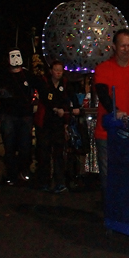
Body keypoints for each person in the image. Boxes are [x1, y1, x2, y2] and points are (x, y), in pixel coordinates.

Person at [93, 29, 129, 197]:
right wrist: (115, 111)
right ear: (114, 47)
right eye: (123, 46)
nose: (127, 49)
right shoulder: (103, 69)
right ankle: (110, 210)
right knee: (109, 174)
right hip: (107, 133)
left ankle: (126, 210)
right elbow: (102, 94)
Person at [0, 50, 35, 186]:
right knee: (9, 147)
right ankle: (11, 174)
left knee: (25, 146)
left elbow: (37, 91)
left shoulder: (28, 75)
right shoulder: (4, 77)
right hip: (8, 116)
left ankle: (23, 172)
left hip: (25, 116)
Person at [35, 60, 78, 193]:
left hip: (58, 124)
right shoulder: (43, 82)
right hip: (45, 122)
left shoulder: (65, 84)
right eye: (56, 70)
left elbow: (72, 96)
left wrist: (76, 107)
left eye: (60, 70)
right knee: (44, 153)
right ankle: (44, 182)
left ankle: (60, 182)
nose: (58, 72)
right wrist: (55, 108)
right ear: (51, 71)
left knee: (59, 153)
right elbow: (44, 98)